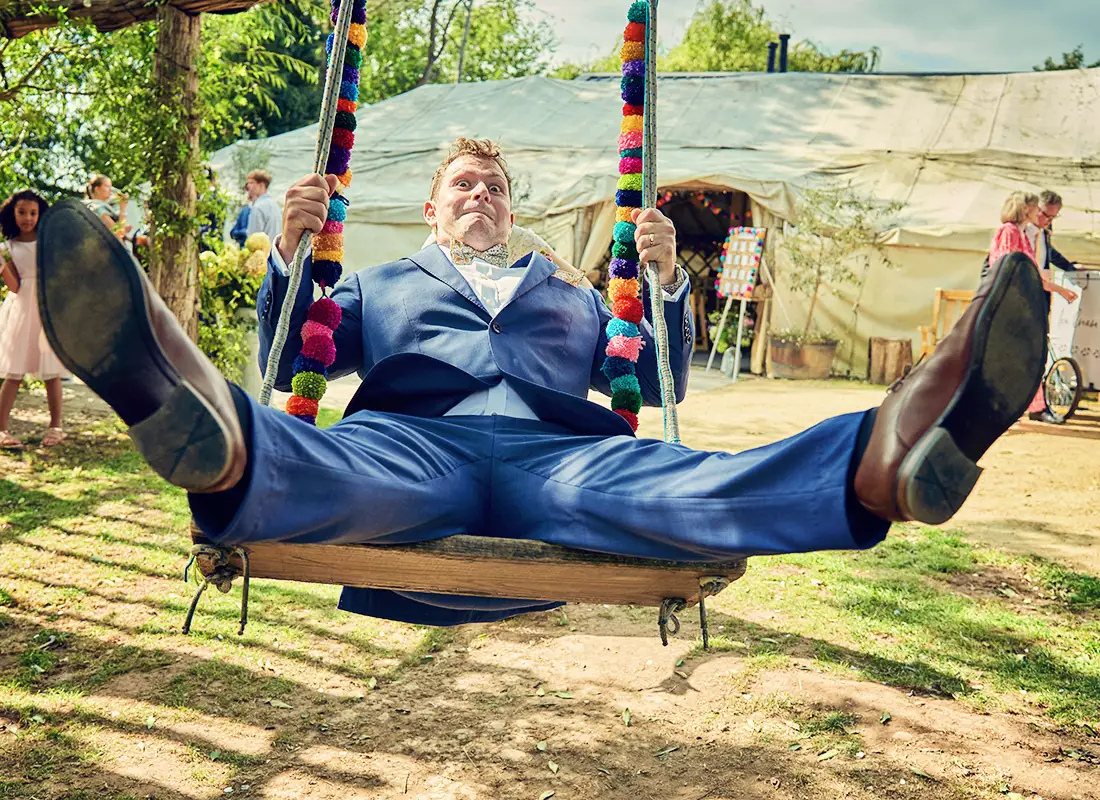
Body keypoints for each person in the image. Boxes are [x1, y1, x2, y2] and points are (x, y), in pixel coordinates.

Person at [35, 138, 1049, 627]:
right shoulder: (379, 281)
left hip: (560, 455)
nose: (482, 196)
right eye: (464, 187)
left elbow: (650, 375)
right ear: (431, 212)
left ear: (512, 215)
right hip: (409, 443)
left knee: (670, 480)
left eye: (496, 188)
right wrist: (292, 259)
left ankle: (882, 461)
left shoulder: (571, 291)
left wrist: (659, 279)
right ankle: (181, 407)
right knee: (313, 461)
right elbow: (299, 351)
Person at [988, 191, 1077, 424]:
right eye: (1038, 209)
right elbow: (1009, 268)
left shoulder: (1027, 234)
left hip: (1027, 301)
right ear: (1027, 209)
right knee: (1015, 355)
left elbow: (1034, 269)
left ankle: (1029, 405)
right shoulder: (1010, 232)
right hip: (1013, 304)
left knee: (1029, 356)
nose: (1042, 215)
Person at [0, 190, 68, 448]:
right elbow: (15, 287)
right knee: (14, 372)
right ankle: (1, 430)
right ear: (12, 213)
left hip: (47, 306)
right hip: (21, 310)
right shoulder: (7, 248)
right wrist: (3, 264)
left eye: (33, 213)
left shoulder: (49, 242)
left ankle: (56, 427)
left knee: (51, 371)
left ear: (40, 215)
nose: (27, 218)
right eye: (21, 212)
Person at [83, 174, 132, 242]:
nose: (111, 190)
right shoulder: (98, 208)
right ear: (97, 189)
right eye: (107, 187)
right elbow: (118, 234)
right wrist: (122, 209)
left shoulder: (92, 206)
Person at [243, 169, 281, 242]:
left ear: (261, 185)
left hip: (262, 252)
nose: (248, 187)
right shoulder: (275, 205)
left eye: (251, 183)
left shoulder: (258, 207)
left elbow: (253, 240)